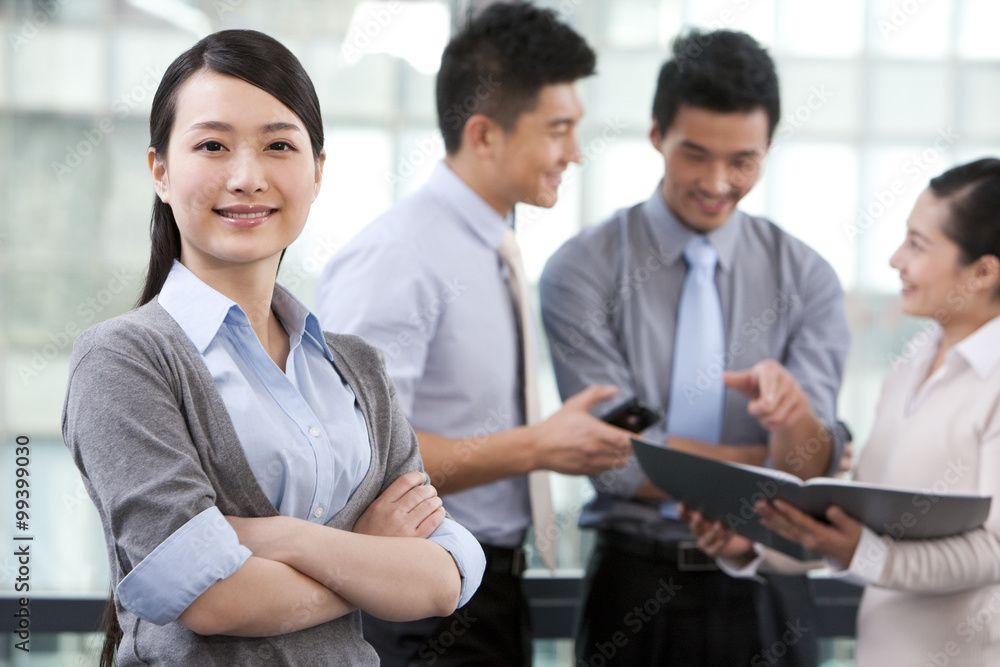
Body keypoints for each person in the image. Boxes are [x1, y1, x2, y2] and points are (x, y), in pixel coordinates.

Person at [61, 29, 484, 666]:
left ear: (316, 171)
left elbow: (445, 574)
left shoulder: (356, 368)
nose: (247, 176)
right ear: (160, 171)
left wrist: (284, 538)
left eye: (279, 145)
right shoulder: (124, 360)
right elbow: (209, 597)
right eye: (212, 145)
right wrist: (366, 553)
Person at [316, 4, 633, 665]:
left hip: (490, 588)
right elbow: (358, 459)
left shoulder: (493, 245)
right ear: (484, 135)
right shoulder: (400, 256)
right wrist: (537, 446)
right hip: (416, 599)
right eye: (559, 130)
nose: (574, 152)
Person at [539, 29, 851, 665]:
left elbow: (808, 464)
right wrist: (769, 464)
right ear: (656, 134)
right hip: (633, 587)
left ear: (767, 148)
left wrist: (795, 427)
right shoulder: (583, 269)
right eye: (694, 154)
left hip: (770, 584)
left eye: (742, 160)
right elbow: (614, 458)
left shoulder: (808, 277)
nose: (716, 182)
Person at [687, 158, 1000, 666]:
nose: (897, 259)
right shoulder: (909, 367)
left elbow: (994, 552)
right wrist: (748, 547)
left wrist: (863, 551)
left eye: (918, 245)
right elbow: (851, 531)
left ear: (984, 271)